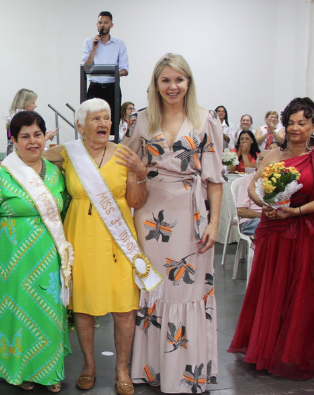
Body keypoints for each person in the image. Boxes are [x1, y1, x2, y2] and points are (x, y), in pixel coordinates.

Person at [121, 53, 225, 393]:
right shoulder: (141, 120)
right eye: (165, 80)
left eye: (178, 79)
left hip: (192, 215)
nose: (172, 86)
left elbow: (215, 179)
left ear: (188, 82)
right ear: (155, 84)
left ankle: (187, 373)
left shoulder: (205, 119)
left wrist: (213, 224)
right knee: (152, 289)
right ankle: (151, 370)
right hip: (150, 216)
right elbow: (118, 160)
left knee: (188, 289)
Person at [228, 97, 314, 379]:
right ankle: (267, 348)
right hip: (274, 231)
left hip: (306, 233)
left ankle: (296, 351)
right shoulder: (272, 155)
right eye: (291, 123)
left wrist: (296, 211)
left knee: (302, 291)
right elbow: (254, 187)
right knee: (272, 289)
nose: (295, 128)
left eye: (302, 123)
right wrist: (266, 203)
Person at [49, 98, 152, 395]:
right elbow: (28, 157)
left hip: (118, 243)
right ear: (80, 125)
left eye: (107, 118)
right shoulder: (69, 153)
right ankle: (89, 366)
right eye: (96, 119)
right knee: (83, 306)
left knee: (123, 306)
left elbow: (136, 201)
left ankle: (122, 369)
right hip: (81, 239)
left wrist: (140, 173)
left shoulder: (124, 155)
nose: (103, 124)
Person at [0, 111, 71, 393]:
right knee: (15, 312)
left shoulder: (57, 173)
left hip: (49, 256)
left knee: (48, 313)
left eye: (37, 134)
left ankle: (49, 371)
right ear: (14, 140)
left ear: (45, 136)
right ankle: (19, 370)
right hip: (10, 259)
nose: (32, 141)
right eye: (25, 136)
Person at [83, 11, 128, 135]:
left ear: (111, 25)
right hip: (95, 87)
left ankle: (111, 149)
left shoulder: (119, 44)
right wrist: (94, 48)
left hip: (111, 88)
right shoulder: (89, 42)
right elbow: (86, 68)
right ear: (97, 24)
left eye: (106, 22)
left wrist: (114, 73)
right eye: (100, 22)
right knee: (91, 119)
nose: (102, 25)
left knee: (112, 120)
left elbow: (124, 69)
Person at [6, 89, 56, 154]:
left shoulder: (15, 119)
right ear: (24, 103)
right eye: (33, 102)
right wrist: (46, 137)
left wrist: (43, 135)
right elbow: (27, 144)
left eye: (37, 134)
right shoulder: (18, 121)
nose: (35, 105)